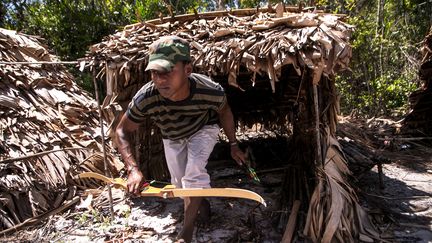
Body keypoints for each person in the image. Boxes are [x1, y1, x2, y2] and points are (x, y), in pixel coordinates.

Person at [115, 35, 247, 242]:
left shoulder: (210, 91)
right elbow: (121, 131)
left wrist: (233, 144)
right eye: (154, 73)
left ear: (188, 70)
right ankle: (200, 203)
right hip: (172, 136)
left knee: (193, 175)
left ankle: (186, 231)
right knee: (179, 186)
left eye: (167, 71)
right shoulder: (146, 97)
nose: (159, 79)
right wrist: (133, 169)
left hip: (203, 129)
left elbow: (225, 113)